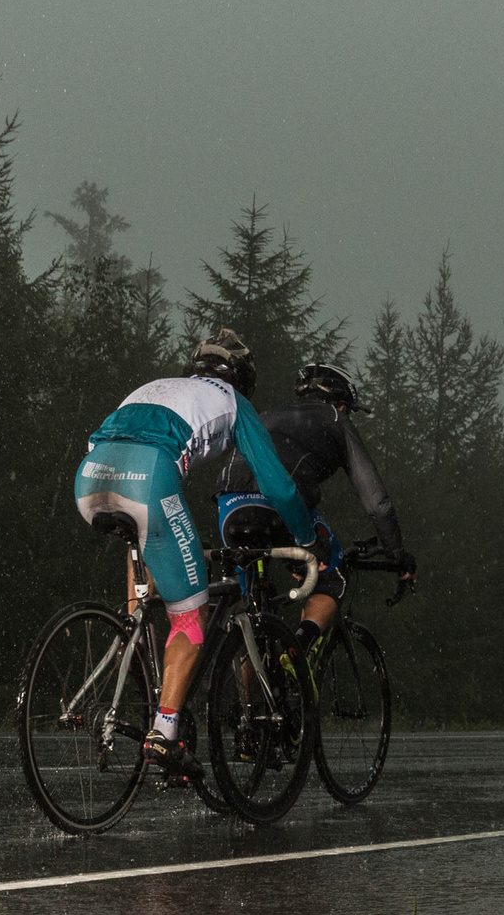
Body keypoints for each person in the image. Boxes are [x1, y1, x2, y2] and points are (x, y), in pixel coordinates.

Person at [71, 331, 317, 785]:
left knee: (145, 570)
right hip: (148, 478)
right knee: (191, 616)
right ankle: (164, 732)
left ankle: (134, 637)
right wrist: (305, 540)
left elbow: (102, 440)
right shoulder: (234, 401)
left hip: (90, 478)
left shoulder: (155, 386)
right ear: (241, 379)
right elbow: (279, 487)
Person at [211, 361, 416, 651]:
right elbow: (377, 501)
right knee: (333, 577)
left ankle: (249, 695)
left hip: (229, 507)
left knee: (252, 616)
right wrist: (397, 555)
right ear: (341, 404)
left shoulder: (267, 414)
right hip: (280, 508)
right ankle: (298, 649)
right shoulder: (336, 419)